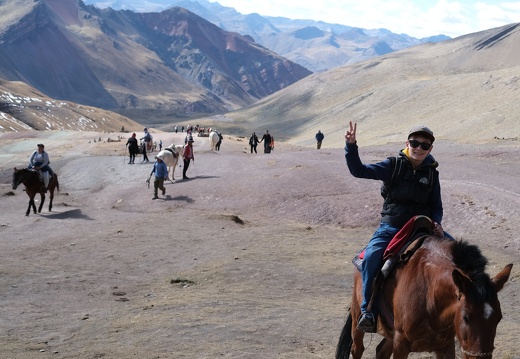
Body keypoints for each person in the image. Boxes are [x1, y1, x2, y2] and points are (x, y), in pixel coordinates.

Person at [344, 121, 451, 333]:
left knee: (458, 256)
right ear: (407, 143)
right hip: (392, 226)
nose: (419, 148)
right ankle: (368, 311)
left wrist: (437, 222)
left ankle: (458, 312)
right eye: (415, 143)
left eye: (424, 145)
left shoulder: (432, 173)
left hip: (423, 227)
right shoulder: (393, 165)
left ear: (430, 148)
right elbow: (358, 170)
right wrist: (351, 146)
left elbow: (436, 206)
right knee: (373, 255)